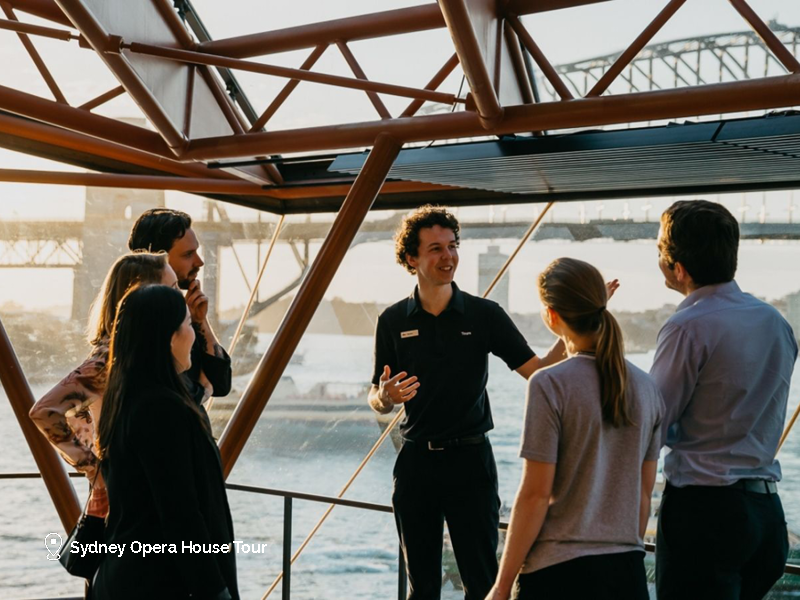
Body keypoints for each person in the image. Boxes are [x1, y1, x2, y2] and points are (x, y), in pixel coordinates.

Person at [368, 205, 573, 600]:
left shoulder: (484, 315)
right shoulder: (392, 320)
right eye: (435, 249)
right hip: (415, 465)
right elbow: (376, 396)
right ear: (411, 258)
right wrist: (384, 396)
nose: (448, 257)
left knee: (482, 583)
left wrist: (584, 320)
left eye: (452, 246)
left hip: (471, 463)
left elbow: (540, 371)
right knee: (422, 587)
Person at [486, 257, 663, 600]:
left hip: (558, 575)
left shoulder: (549, 384)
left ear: (551, 316)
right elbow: (643, 493)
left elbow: (536, 496)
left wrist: (502, 585)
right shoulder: (647, 387)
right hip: (626, 573)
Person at [650, 200, 797, 600]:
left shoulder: (687, 326)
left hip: (705, 514)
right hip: (766, 515)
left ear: (677, 268)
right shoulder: (775, 322)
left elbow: (652, 423)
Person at [93, 284, 238, 600]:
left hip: (127, 575)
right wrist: (215, 591)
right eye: (187, 324)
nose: (192, 333)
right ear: (169, 338)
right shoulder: (162, 408)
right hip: (162, 582)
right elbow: (181, 514)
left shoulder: (125, 399)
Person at [29, 252, 177, 517]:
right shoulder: (111, 357)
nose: (180, 298)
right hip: (128, 500)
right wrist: (96, 473)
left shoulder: (135, 352)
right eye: (173, 288)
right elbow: (44, 412)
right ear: (142, 297)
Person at [128, 208, 231, 409]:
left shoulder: (182, 316)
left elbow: (221, 384)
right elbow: (169, 400)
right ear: (158, 260)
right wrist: (203, 389)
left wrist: (200, 320)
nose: (199, 262)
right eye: (188, 254)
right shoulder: (139, 323)